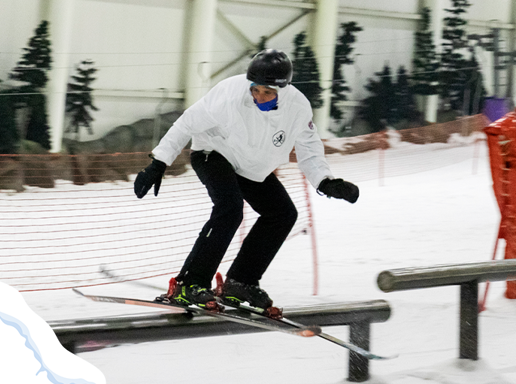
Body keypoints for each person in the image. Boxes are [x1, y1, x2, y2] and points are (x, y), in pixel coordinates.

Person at [134, 49, 359, 311]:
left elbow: (309, 148)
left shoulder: (297, 108)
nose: (259, 97)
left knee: (282, 213)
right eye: (255, 89)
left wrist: (326, 182)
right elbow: (186, 124)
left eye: (267, 93)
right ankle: (191, 282)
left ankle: (241, 281)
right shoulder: (228, 93)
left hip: (252, 167)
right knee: (230, 209)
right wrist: (159, 162)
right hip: (213, 153)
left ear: (283, 89)